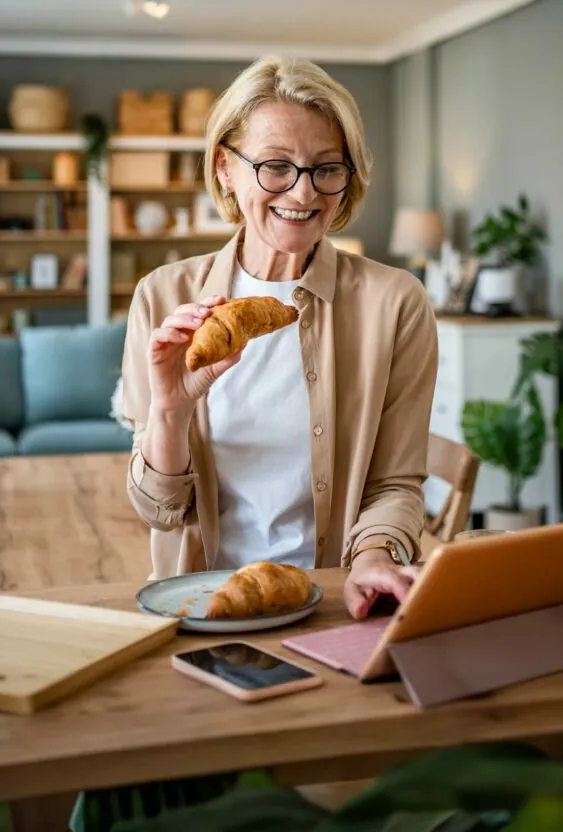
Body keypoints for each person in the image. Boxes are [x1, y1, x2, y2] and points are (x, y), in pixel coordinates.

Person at [121, 55, 438, 621]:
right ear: (225, 168)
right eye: (275, 166)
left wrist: (373, 556)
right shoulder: (162, 297)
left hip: (340, 603)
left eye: (326, 168)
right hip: (198, 607)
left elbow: (394, 482)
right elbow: (160, 511)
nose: (303, 192)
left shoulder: (396, 303)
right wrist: (170, 410)